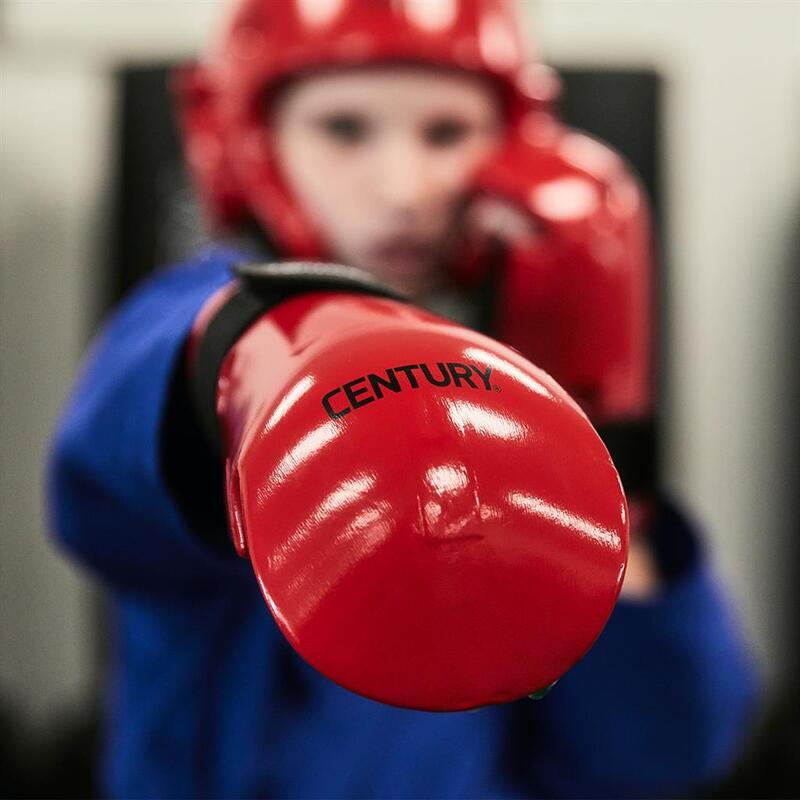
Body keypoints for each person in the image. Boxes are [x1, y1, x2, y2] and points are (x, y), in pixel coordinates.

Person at [48, 0, 758, 797]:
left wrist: (596, 427)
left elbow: (667, 754)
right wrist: (273, 358)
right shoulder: (189, 321)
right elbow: (100, 484)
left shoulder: (519, 370)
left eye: (447, 133)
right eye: (344, 129)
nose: (404, 189)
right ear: (251, 145)